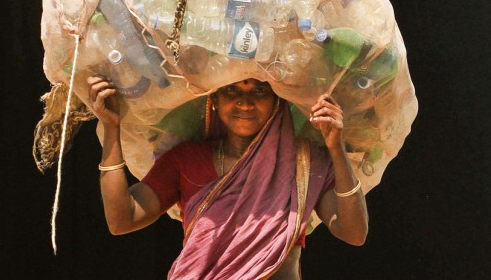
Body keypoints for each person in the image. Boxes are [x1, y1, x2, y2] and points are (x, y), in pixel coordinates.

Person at [88, 76, 368, 279]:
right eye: (232, 89)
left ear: (278, 100)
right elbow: (122, 220)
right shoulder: (186, 159)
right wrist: (111, 128)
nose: (245, 103)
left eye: (260, 90)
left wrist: (336, 147)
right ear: (215, 100)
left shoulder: (307, 161)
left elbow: (354, 233)